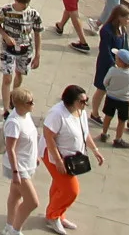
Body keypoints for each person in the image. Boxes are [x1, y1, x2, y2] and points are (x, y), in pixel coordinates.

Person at [40, 82, 90, 233]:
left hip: (70, 157)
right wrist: (58, 161)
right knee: (71, 190)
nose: (85, 104)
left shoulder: (80, 111)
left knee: (59, 186)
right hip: (54, 156)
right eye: (82, 101)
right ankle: (52, 215)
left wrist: (94, 150)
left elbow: (84, 132)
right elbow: (49, 137)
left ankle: (58, 214)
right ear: (71, 100)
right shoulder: (57, 114)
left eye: (86, 101)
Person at [0, 90, 44, 235]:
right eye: (30, 102)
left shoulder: (26, 115)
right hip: (18, 167)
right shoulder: (14, 123)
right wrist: (16, 172)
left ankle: (9, 227)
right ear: (20, 105)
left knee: (15, 195)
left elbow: (30, 138)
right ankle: (16, 230)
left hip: (27, 163)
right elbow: (11, 148)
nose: (33, 104)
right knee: (32, 202)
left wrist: (35, 156)